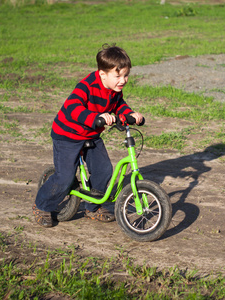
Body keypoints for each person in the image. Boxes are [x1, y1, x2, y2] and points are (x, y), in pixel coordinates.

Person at [33, 44, 143, 227]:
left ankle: (93, 207)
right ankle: (42, 205)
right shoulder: (86, 86)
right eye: (118, 76)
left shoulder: (114, 90)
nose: (123, 80)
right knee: (65, 177)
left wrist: (131, 115)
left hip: (90, 135)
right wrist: (95, 118)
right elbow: (73, 108)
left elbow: (119, 105)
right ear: (102, 74)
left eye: (126, 75)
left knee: (104, 170)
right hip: (67, 134)